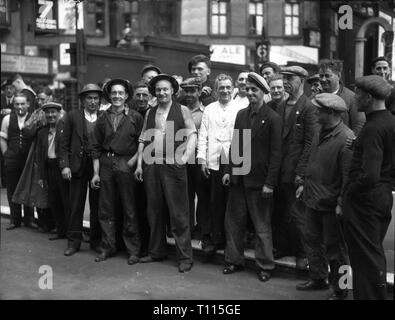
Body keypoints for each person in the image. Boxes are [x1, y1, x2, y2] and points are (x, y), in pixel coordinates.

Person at [222, 72, 281, 282]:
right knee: (234, 222)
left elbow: (276, 154)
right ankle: (233, 260)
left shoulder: (273, 118)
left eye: (254, 90)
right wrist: (229, 171)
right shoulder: (241, 115)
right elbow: (235, 146)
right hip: (239, 179)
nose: (250, 93)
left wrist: (270, 183)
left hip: (260, 182)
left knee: (262, 225)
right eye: (248, 89)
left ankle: (265, 265)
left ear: (264, 93)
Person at [135, 74, 197, 273]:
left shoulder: (183, 110)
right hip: (152, 164)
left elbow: (192, 134)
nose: (162, 92)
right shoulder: (150, 112)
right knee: (154, 211)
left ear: (172, 91)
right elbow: (143, 138)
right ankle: (156, 252)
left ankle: (185, 257)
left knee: (179, 213)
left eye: (165, 89)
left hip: (174, 165)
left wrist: (185, 157)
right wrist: (138, 165)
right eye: (158, 90)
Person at [295, 93, 354, 300]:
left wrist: (340, 204)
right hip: (313, 199)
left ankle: (342, 290)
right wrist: (302, 182)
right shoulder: (320, 131)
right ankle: (318, 277)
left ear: (331, 113)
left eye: (320, 110)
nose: (316, 112)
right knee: (312, 240)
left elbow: (348, 178)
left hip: (331, 205)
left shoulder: (347, 139)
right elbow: (312, 160)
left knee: (337, 250)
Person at [343, 75, 395, 300]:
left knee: (364, 260)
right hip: (382, 197)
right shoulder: (391, 121)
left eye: (359, 95)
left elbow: (369, 175)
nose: (355, 99)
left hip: (365, 202)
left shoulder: (373, 127)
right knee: (373, 254)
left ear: (369, 97)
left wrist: (348, 192)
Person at [91, 79, 143, 265]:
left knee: (129, 207)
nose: (117, 96)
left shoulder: (135, 117)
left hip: (126, 162)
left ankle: (133, 250)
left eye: (120, 93)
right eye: (114, 93)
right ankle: (108, 247)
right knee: (106, 208)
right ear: (109, 95)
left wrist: (135, 162)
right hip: (106, 163)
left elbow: (142, 143)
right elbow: (95, 147)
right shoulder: (102, 118)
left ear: (127, 96)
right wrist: (96, 173)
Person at [272, 66, 319, 269]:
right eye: (284, 78)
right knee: (281, 212)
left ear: (301, 80)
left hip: (295, 171)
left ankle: (303, 254)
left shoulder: (309, 107)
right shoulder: (281, 105)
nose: (285, 82)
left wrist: (301, 172)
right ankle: (284, 248)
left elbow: (310, 143)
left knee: (299, 215)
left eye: (290, 78)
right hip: (279, 170)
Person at [197, 74, 246, 257]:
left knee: (233, 205)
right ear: (216, 90)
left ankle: (232, 243)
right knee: (215, 202)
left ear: (232, 88)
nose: (224, 91)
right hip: (214, 160)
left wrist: (237, 165)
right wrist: (202, 159)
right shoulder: (210, 109)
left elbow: (243, 139)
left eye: (227, 87)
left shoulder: (241, 108)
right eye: (221, 88)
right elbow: (203, 135)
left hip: (233, 160)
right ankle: (215, 239)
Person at [59, 84, 103, 256]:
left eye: (95, 98)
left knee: (97, 205)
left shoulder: (103, 116)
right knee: (75, 205)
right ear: (82, 100)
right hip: (77, 165)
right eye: (89, 98)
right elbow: (63, 143)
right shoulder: (72, 116)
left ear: (99, 100)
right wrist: (65, 165)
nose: (92, 102)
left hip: (96, 166)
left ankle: (96, 241)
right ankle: (74, 242)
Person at [0, 93, 36, 230]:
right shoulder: (7, 119)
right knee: (12, 189)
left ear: (28, 104)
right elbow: (2, 138)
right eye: (17, 104)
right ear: (13, 105)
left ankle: (29, 219)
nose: (20, 107)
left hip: (28, 160)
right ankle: (15, 220)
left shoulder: (33, 118)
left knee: (28, 188)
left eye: (22, 104)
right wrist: (6, 154)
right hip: (12, 160)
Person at [179, 77, 209, 239]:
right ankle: (187, 229)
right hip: (182, 160)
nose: (189, 94)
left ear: (199, 92)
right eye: (186, 91)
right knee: (185, 196)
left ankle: (203, 230)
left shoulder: (206, 113)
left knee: (202, 196)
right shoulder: (179, 110)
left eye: (192, 91)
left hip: (198, 159)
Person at [36, 102, 70, 241]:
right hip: (49, 168)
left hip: (61, 167)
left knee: (66, 200)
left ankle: (71, 232)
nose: (51, 115)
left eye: (53, 112)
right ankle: (61, 231)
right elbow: (40, 155)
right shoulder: (42, 132)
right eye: (48, 112)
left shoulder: (65, 129)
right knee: (54, 201)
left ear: (59, 113)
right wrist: (41, 176)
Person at [318, 59, 366, 136]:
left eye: (327, 76)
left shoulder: (352, 98)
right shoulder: (314, 98)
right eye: (321, 76)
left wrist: (349, 144)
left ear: (339, 76)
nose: (323, 79)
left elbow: (359, 125)